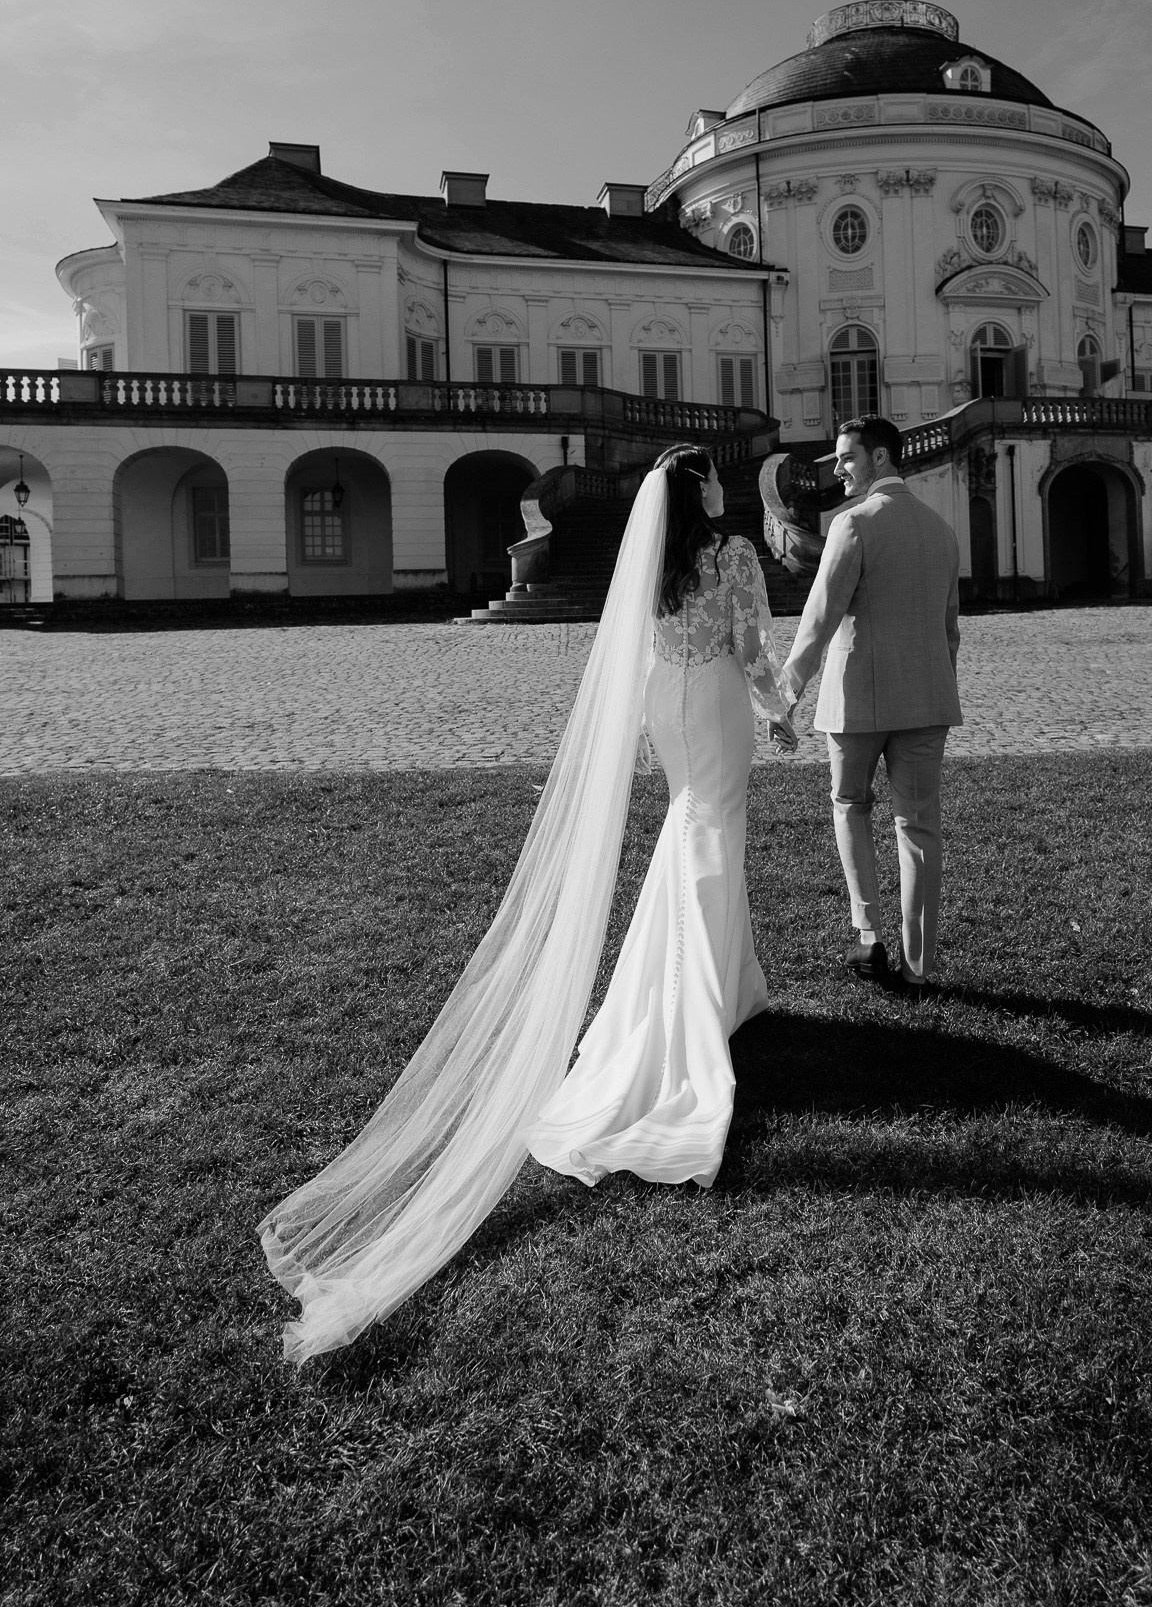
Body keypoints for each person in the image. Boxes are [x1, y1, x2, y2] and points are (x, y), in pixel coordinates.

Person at [259, 444, 795, 1363]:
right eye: (711, 478)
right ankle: (692, 1014)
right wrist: (781, 708)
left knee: (689, 833)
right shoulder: (732, 554)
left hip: (667, 701)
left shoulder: (659, 560)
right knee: (711, 839)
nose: (718, 488)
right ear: (703, 489)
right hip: (712, 700)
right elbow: (749, 645)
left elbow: (652, 650)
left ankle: (721, 988)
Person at [771, 415, 961, 994]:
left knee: (851, 805)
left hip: (856, 700)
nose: (838, 470)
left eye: (846, 458)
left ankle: (869, 936)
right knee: (920, 827)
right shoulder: (941, 529)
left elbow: (819, 619)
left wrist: (785, 697)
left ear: (880, 458)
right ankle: (921, 964)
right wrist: (935, 684)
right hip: (927, 699)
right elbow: (949, 630)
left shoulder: (852, 524)